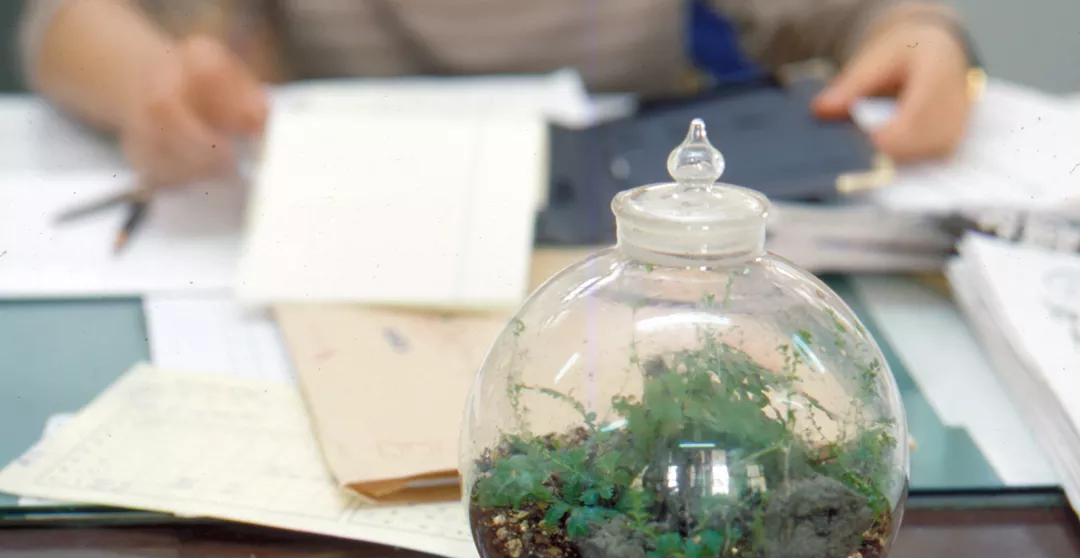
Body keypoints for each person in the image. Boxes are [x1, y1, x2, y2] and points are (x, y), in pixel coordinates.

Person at [17, 0, 978, 189]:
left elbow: (870, 18)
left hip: (619, 214)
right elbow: (61, 23)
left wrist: (925, 39)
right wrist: (153, 80)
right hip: (355, 209)